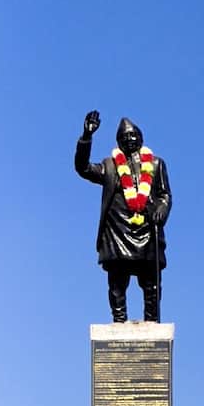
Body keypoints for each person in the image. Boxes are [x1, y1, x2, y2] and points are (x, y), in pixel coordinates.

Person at [74, 111, 171, 322]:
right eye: (124, 137)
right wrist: (87, 136)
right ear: (118, 142)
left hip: (147, 230)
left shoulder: (156, 164)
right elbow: (83, 168)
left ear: (141, 137)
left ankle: (151, 321)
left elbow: (164, 195)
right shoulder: (110, 166)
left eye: (133, 135)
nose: (129, 139)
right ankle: (119, 320)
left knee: (151, 282)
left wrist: (161, 209)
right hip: (117, 231)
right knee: (117, 282)